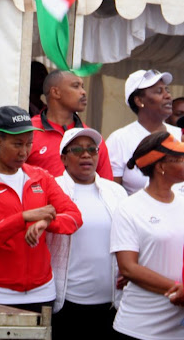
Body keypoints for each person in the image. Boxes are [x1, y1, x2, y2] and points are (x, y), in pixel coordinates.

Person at [0, 105, 83, 311]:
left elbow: (74, 217)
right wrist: (22, 218)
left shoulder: (41, 177)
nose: (24, 152)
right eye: (18, 144)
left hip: (41, 292)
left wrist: (45, 222)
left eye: (29, 144)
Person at [49, 127, 127, 340]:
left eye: (92, 150)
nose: (86, 155)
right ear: (64, 158)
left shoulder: (116, 192)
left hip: (110, 303)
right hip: (66, 302)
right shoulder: (51, 189)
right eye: (78, 150)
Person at [110, 131, 184, 339]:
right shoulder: (129, 208)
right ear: (160, 166)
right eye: (179, 159)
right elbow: (128, 268)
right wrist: (178, 290)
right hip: (140, 328)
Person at [106, 69, 181, 195]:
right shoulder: (119, 139)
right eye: (159, 91)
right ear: (139, 101)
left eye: (167, 90)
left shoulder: (180, 135)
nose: (168, 96)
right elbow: (112, 193)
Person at [27, 70, 113, 179]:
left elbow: (107, 186)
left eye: (83, 87)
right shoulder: (29, 132)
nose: (83, 92)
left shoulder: (93, 138)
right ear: (56, 92)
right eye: (76, 86)